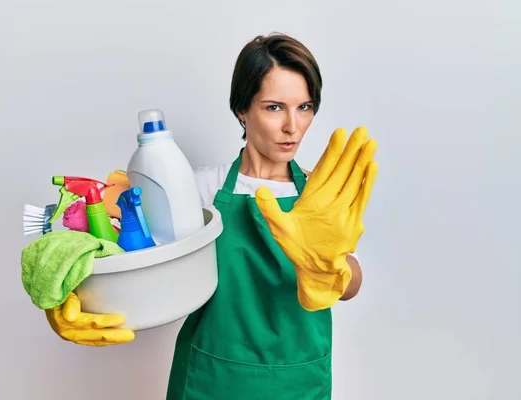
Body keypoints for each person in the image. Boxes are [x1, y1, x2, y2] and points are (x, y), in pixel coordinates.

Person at [44, 33, 378, 400]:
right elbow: (132, 258)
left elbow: (353, 283)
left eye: (304, 107)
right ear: (241, 109)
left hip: (299, 381)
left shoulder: (321, 191)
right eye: (274, 107)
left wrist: (329, 269)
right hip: (211, 380)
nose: (292, 126)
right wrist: (67, 291)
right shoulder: (199, 190)